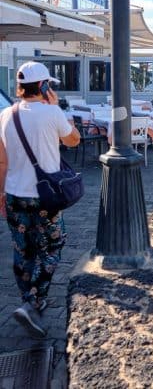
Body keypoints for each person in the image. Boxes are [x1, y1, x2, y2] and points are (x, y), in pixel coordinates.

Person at [0, 61, 80, 338]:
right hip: (45, 198)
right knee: (54, 244)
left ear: (20, 87)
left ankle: (28, 299)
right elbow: (74, 141)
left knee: (23, 251)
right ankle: (33, 302)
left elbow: (2, 161)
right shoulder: (52, 113)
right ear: (44, 86)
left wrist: (1, 193)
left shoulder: (5, 115)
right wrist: (63, 114)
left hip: (14, 194)